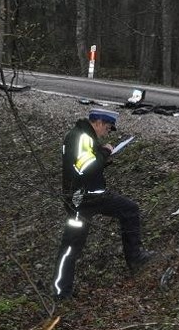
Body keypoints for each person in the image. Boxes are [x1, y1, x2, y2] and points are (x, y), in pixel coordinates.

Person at [52, 109, 153, 300]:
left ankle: (136, 258)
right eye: (107, 127)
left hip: (93, 197)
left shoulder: (83, 136)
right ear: (97, 122)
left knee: (129, 210)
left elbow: (82, 164)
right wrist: (105, 153)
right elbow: (84, 168)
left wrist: (100, 153)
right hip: (82, 201)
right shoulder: (82, 137)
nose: (106, 132)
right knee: (71, 247)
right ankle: (60, 293)